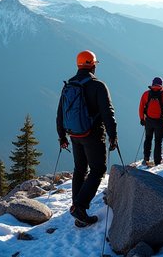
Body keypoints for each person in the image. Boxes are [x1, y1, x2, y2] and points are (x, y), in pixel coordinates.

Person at [56, 50, 118, 228]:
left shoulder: (69, 85)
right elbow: (108, 113)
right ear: (92, 65)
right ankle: (80, 207)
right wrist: (113, 136)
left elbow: (60, 113)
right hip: (93, 134)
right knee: (98, 169)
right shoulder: (98, 86)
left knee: (80, 169)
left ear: (78, 65)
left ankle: (78, 212)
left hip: (74, 134)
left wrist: (61, 136)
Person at [138, 77, 163, 167]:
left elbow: (141, 107)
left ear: (152, 84)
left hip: (148, 121)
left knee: (148, 139)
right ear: (162, 85)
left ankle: (146, 159)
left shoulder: (146, 94)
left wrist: (141, 119)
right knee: (158, 141)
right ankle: (157, 161)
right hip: (160, 122)